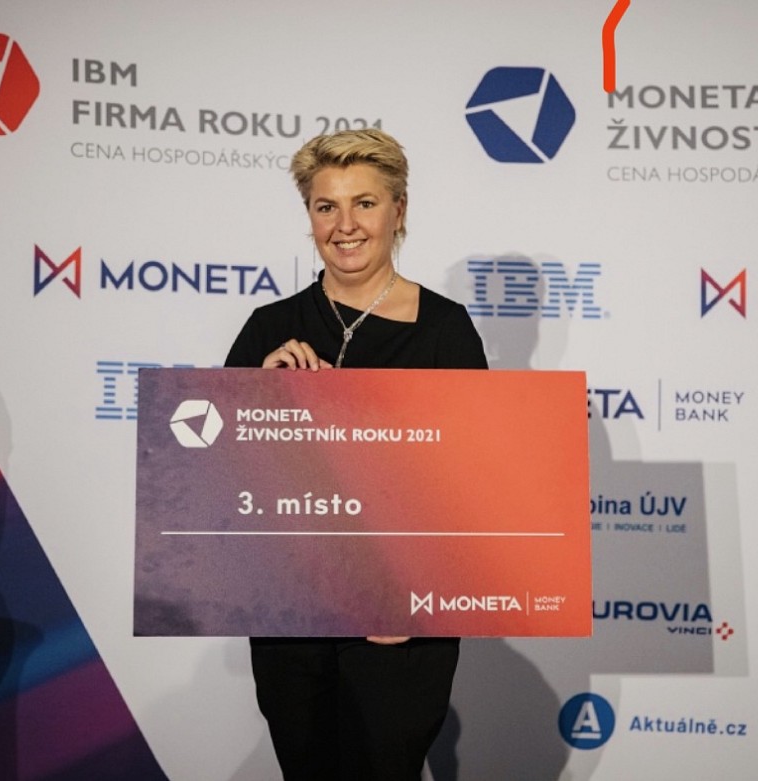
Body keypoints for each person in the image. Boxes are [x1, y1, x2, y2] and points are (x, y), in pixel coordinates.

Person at [225, 128, 487, 780]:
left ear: (398, 210)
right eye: (326, 206)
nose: (345, 226)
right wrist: (259, 396)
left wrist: (419, 596)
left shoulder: (444, 331)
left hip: (399, 623)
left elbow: (473, 486)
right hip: (290, 619)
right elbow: (218, 476)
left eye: (364, 203)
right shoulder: (268, 328)